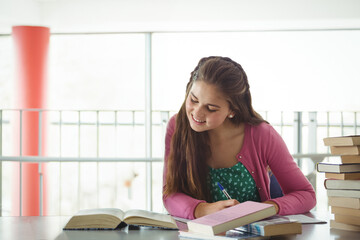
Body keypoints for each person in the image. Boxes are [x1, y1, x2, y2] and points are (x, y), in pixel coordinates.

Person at [162, 56, 316, 220]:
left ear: (232, 110)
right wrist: (201, 210)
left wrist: (264, 208)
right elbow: (170, 194)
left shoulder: (262, 135)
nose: (197, 113)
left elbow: (306, 195)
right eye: (193, 100)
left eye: (211, 108)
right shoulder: (176, 126)